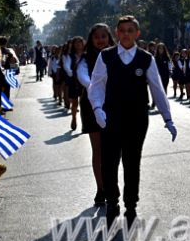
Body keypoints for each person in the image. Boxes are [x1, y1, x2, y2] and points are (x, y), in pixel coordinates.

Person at [88, 16, 177, 227]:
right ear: (117, 33)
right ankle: (112, 202)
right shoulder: (106, 56)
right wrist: (97, 108)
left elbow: (157, 88)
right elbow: (97, 85)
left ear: (137, 34)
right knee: (109, 162)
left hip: (137, 118)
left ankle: (131, 204)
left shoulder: (146, 58)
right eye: (122, 30)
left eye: (130, 30)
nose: (126, 34)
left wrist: (168, 117)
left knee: (132, 162)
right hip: (110, 117)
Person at [77, 24, 115, 208]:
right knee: (98, 150)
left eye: (104, 36)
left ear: (109, 38)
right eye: (96, 37)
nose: (100, 40)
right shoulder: (85, 59)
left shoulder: (118, 56)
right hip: (92, 106)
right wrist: (95, 88)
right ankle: (101, 189)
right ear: (91, 40)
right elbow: (83, 77)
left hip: (115, 106)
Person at [63, 36, 85, 131]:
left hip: (85, 82)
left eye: (80, 42)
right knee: (75, 102)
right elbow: (67, 67)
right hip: (74, 81)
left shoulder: (86, 55)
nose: (78, 44)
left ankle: (84, 122)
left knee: (84, 103)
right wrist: (75, 74)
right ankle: (74, 118)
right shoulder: (69, 56)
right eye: (76, 43)